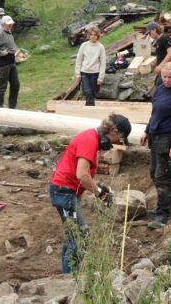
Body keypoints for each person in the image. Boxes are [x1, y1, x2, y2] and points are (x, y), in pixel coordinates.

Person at [49, 113, 131, 273]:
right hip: (65, 193)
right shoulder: (90, 140)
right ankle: (70, 278)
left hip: (66, 191)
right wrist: (101, 193)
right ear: (114, 132)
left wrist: (99, 186)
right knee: (79, 235)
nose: (116, 144)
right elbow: (81, 175)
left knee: (73, 234)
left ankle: (69, 273)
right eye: (118, 140)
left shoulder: (91, 138)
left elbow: (82, 173)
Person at [141, 62, 171, 230]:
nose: (167, 80)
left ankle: (163, 214)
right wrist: (147, 131)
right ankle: (161, 207)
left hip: (168, 140)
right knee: (153, 173)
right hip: (155, 137)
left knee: (163, 176)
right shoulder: (160, 89)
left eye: (170, 77)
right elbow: (154, 113)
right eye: (164, 77)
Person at [0, 15, 20, 108]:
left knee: (15, 84)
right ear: (3, 24)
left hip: (11, 62)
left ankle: (12, 106)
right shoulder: (0, 34)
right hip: (3, 64)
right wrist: (1, 53)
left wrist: (15, 51)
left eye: (11, 24)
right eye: (8, 24)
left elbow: (10, 46)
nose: (10, 26)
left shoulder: (9, 33)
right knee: (2, 86)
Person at [74, 27, 106, 106]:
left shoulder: (100, 47)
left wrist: (101, 77)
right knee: (87, 92)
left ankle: (89, 109)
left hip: (95, 73)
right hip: (84, 72)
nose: (93, 36)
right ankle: (90, 110)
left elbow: (103, 63)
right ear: (88, 36)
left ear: (98, 36)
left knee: (93, 93)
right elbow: (79, 60)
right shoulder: (84, 46)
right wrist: (77, 74)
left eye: (95, 35)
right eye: (91, 35)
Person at [146, 22, 171, 86]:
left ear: (154, 30)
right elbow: (160, 55)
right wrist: (156, 67)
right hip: (162, 69)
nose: (149, 35)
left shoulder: (165, 38)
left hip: (168, 69)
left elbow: (170, 53)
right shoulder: (158, 41)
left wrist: (160, 66)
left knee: (161, 85)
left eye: (149, 32)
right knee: (158, 84)